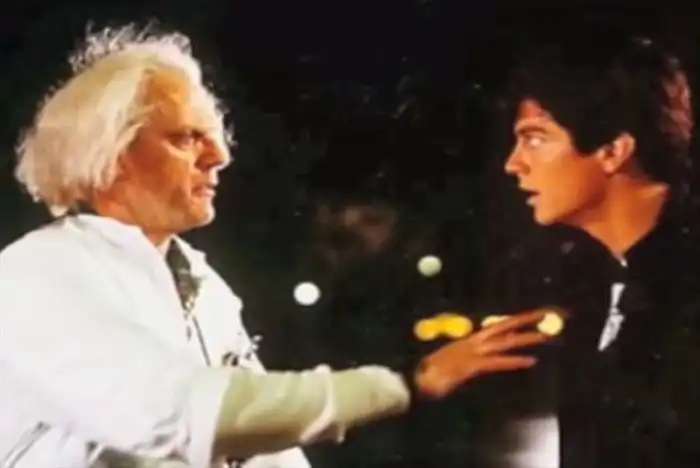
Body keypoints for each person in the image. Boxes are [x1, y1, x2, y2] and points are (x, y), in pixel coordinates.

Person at [0, 23, 550, 468]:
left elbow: (265, 453)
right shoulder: (35, 275)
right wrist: (410, 382)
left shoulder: (202, 284)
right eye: (186, 137)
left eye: (215, 136)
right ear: (110, 153)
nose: (219, 156)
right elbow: (187, 416)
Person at [427, 34, 700, 468]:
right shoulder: (599, 281)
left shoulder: (681, 290)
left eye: (535, 138)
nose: (513, 163)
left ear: (613, 151)